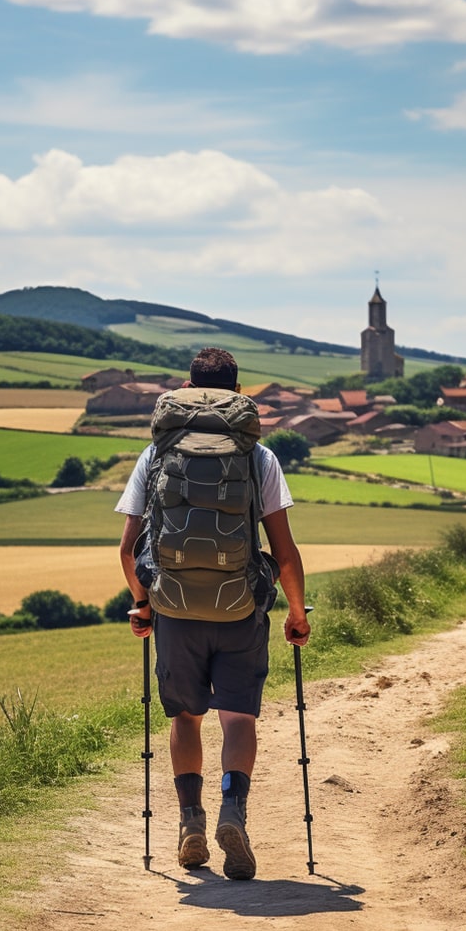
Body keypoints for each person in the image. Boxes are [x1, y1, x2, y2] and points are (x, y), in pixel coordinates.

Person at [116, 347, 310, 880]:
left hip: (174, 608)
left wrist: (142, 603)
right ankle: (232, 810)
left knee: (186, 717)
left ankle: (190, 824)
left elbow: (129, 548)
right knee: (238, 717)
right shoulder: (258, 456)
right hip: (240, 606)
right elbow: (285, 550)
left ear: (187, 387)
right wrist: (296, 613)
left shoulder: (156, 454)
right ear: (237, 390)